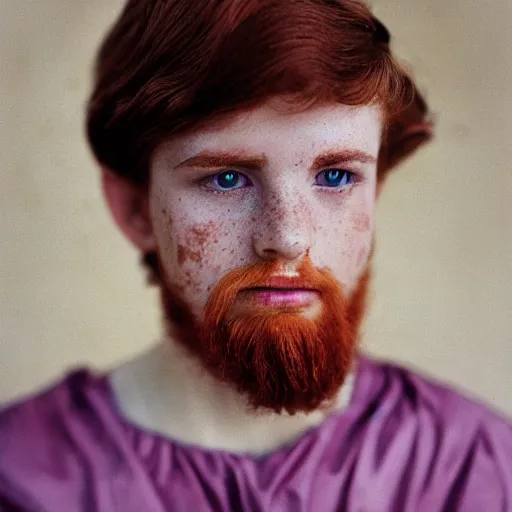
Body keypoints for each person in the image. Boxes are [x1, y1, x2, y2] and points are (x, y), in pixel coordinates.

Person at [1, 0, 511, 510]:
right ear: (136, 210)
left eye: (335, 176)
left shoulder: (474, 470)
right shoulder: (21, 479)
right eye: (226, 178)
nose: (288, 238)